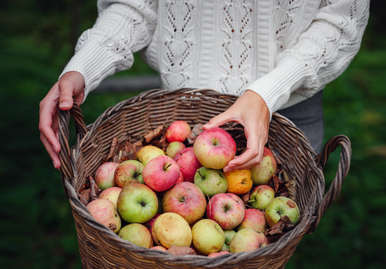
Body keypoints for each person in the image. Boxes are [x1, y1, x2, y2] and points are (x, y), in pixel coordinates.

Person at [39, 0, 369, 170]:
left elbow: (342, 20)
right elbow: (135, 5)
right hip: (180, 124)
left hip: (285, 115)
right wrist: (83, 67)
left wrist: (266, 93)